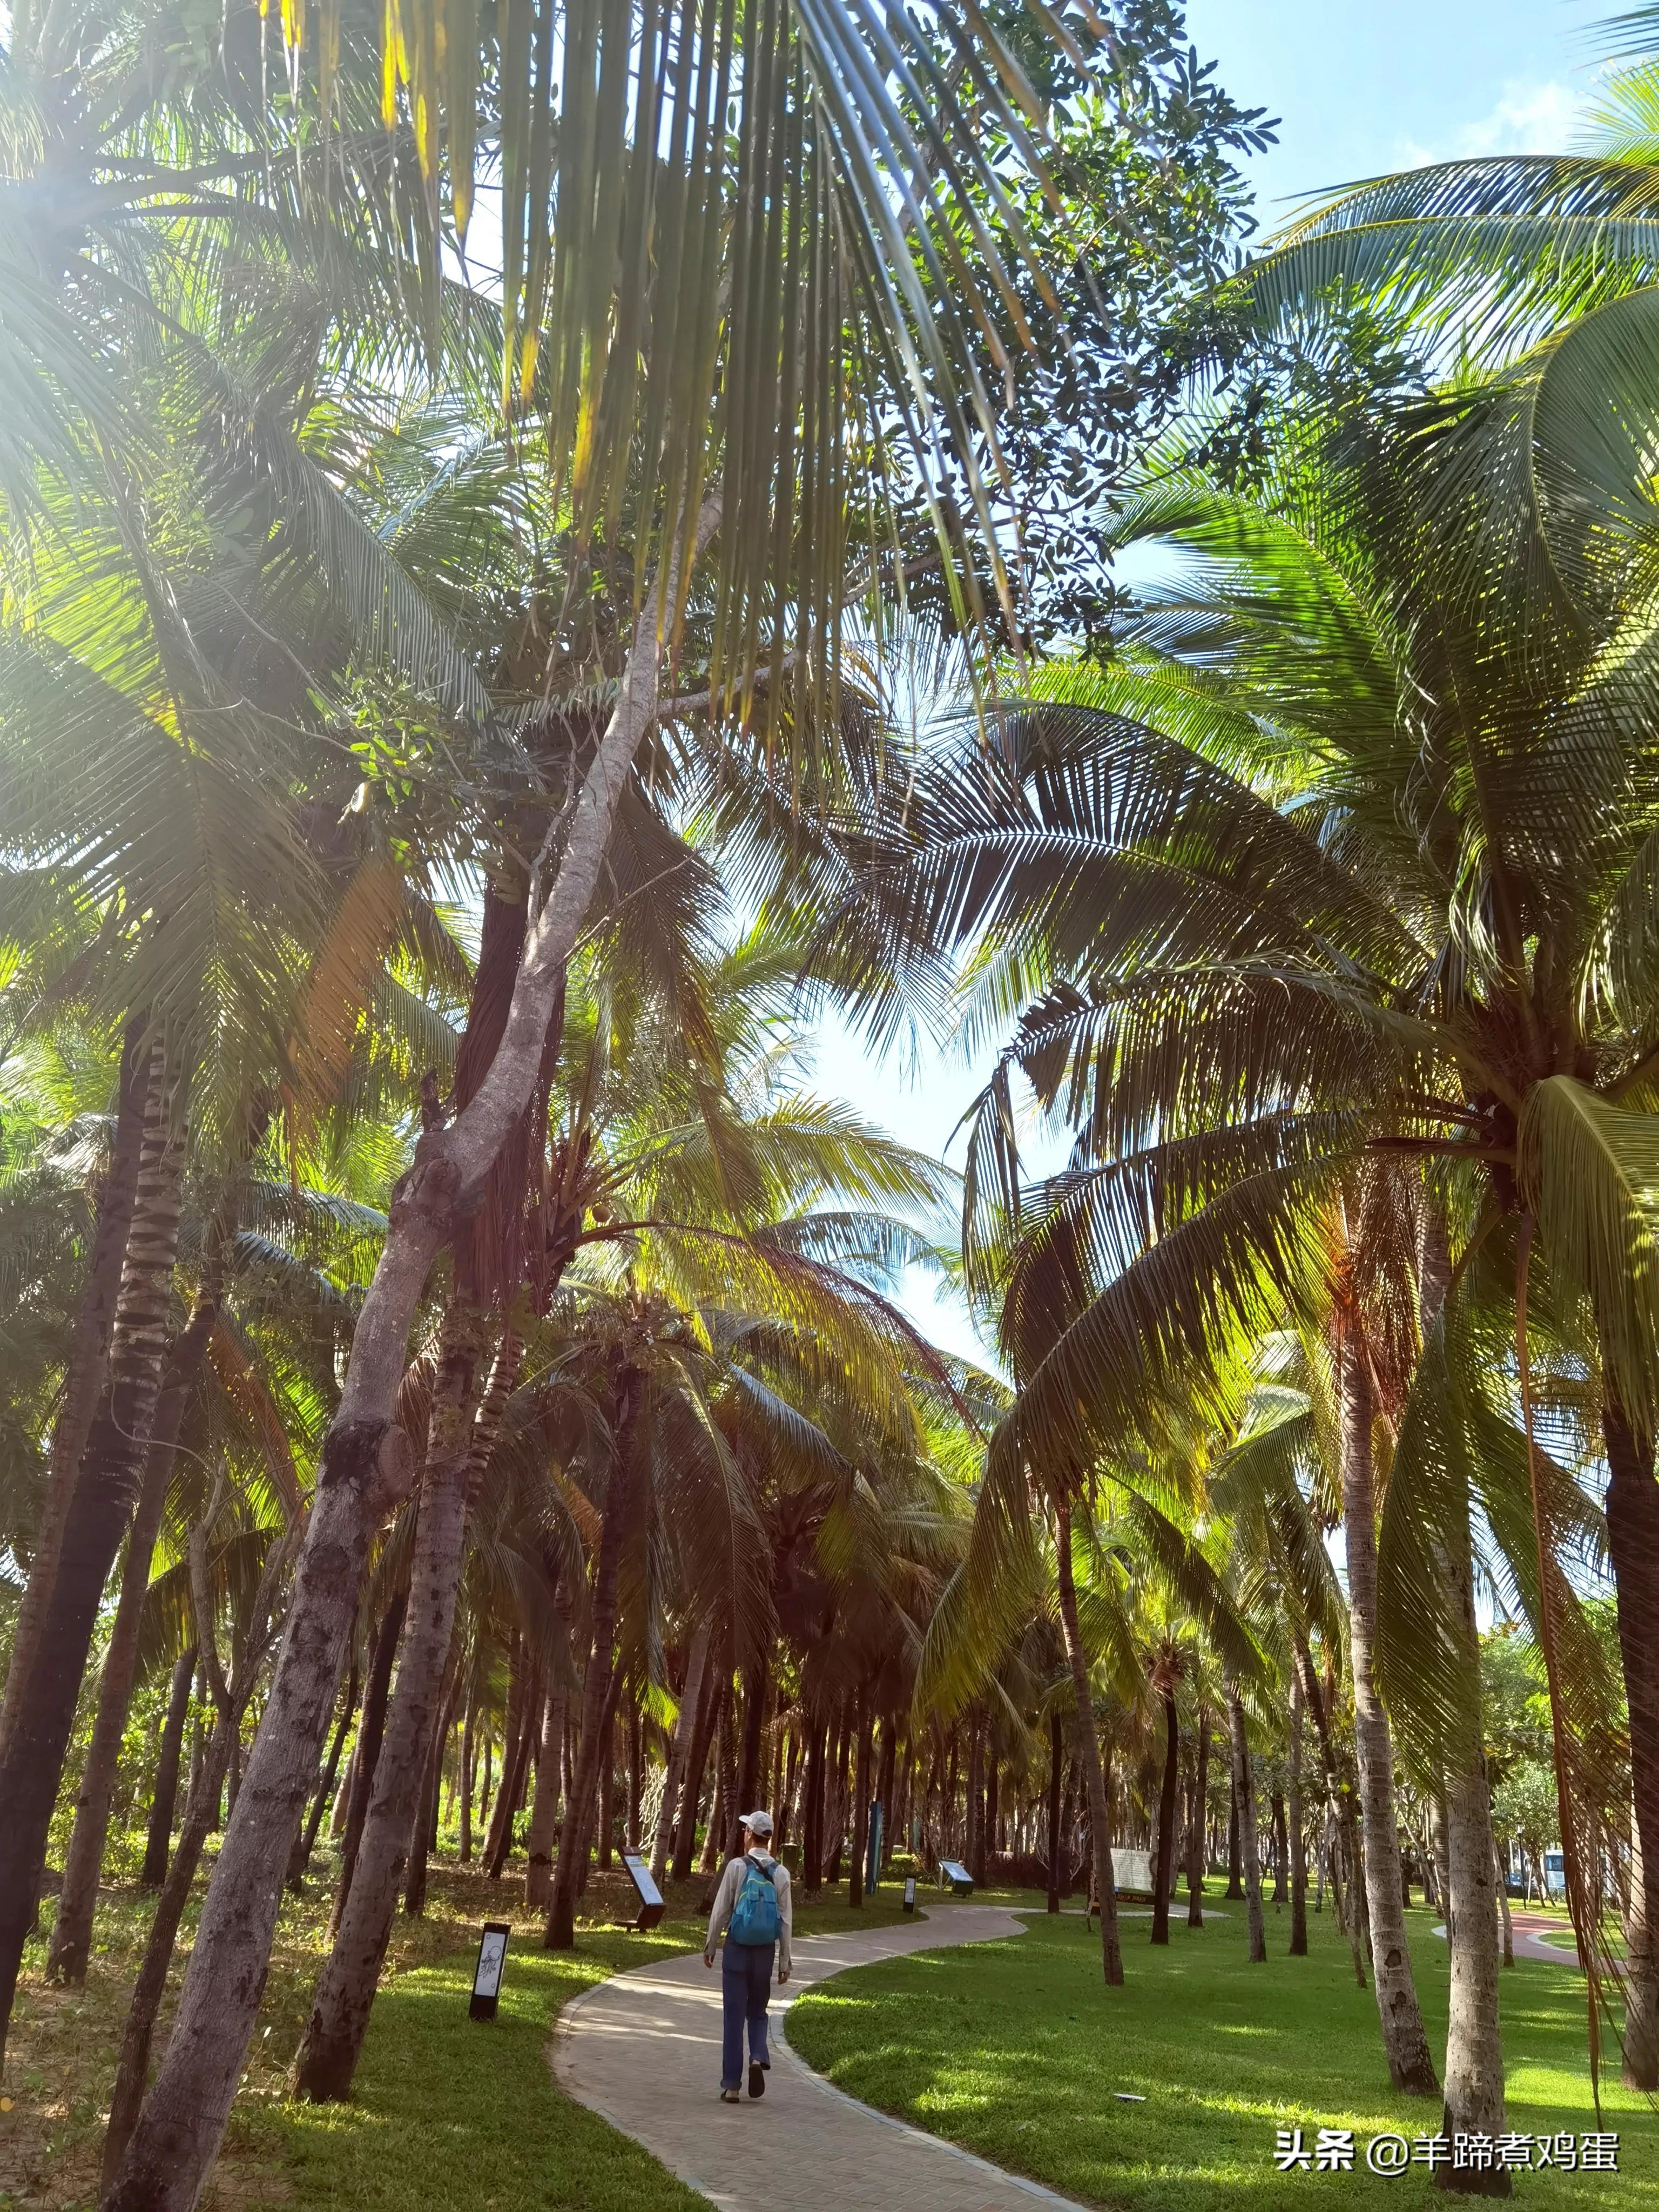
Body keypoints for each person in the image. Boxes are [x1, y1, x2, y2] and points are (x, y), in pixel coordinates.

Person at [704, 1809, 792, 2102]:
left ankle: (731, 2085)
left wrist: (711, 1944)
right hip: (764, 1952)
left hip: (737, 1948)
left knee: (733, 2016)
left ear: (749, 1834)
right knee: (757, 2010)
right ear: (768, 1838)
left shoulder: (736, 1867)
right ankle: (758, 2055)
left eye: (745, 1830)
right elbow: (786, 1921)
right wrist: (785, 1961)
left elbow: (721, 1910)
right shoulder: (782, 1873)